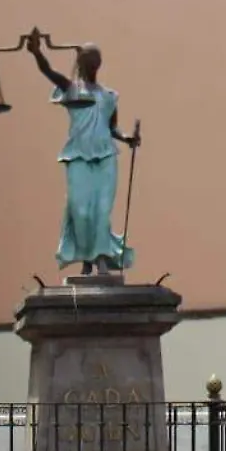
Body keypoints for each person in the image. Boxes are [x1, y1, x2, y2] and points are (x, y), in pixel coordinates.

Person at [26, 31, 141, 275]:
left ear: (97, 64)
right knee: (79, 210)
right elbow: (48, 71)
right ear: (81, 62)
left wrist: (127, 138)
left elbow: (111, 127)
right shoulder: (71, 88)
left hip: (105, 158)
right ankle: (85, 259)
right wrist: (37, 52)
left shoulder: (109, 96)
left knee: (101, 211)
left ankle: (98, 259)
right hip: (78, 155)